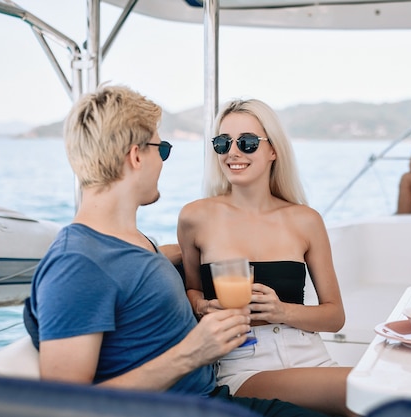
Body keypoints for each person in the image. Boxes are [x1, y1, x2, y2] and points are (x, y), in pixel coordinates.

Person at [26, 84, 328, 417]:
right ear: (137, 156)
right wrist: (192, 353)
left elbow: (137, 275)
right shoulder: (78, 264)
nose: (164, 162)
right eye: (163, 149)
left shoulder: (133, 243)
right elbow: (61, 407)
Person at [177, 98, 353, 417]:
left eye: (246, 143)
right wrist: (202, 306)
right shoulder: (195, 217)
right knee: (369, 390)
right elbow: (192, 289)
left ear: (273, 150)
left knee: (377, 396)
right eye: (222, 143)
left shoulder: (305, 220)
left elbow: (334, 316)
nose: (233, 152)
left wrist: (282, 311)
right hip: (244, 363)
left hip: (310, 355)